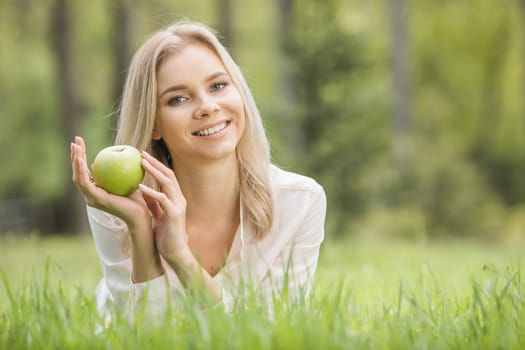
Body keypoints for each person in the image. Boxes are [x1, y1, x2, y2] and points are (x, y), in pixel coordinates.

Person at [70, 21, 326, 316]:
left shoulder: (300, 202)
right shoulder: (117, 208)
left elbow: (272, 333)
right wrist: (142, 232)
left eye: (218, 86)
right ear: (153, 124)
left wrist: (181, 258)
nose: (207, 107)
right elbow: (142, 340)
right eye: (178, 98)